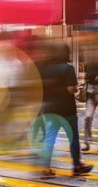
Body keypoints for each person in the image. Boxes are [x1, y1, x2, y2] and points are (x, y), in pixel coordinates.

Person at [37, 42, 93, 179]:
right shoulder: (68, 69)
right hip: (67, 110)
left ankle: (45, 168)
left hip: (50, 109)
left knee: (49, 139)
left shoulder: (45, 68)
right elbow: (70, 89)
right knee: (73, 139)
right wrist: (76, 88)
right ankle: (77, 166)